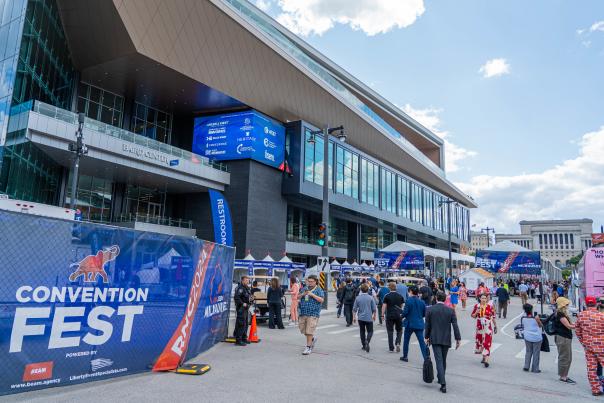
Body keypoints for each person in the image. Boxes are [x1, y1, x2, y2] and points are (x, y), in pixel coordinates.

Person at [425, 291, 461, 394]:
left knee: (439, 360)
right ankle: (441, 377)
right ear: (445, 299)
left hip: (435, 338)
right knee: (443, 360)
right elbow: (455, 325)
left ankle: (443, 383)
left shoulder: (430, 310)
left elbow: (427, 325)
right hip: (446, 338)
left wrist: (426, 337)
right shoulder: (450, 310)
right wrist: (458, 339)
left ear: (436, 298)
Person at [575, 295, 604, 396]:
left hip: (589, 347)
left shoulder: (581, 315)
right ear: (596, 304)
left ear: (586, 304)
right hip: (602, 346)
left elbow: (577, 331)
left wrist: (584, 342)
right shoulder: (602, 316)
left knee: (591, 368)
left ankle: (595, 390)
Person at [297, 275, 325, 355]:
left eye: (311, 281)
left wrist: (312, 295)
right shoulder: (304, 288)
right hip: (303, 312)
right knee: (304, 330)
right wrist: (303, 294)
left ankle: (308, 347)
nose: (310, 283)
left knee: (309, 330)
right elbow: (297, 296)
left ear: (316, 281)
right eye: (309, 281)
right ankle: (312, 339)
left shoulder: (319, 290)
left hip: (313, 313)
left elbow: (321, 300)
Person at [400, 286, 428, 362]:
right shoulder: (422, 302)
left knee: (406, 340)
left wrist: (401, 315)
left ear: (411, 292)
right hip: (419, 324)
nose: (408, 293)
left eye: (409, 291)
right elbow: (424, 314)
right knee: (421, 342)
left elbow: (405, 313)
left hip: (410, 324)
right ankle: (426, 358)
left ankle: (405, 356)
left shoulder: (408, 301)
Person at [471, 294, 497, 367]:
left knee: (487, 343)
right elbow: (473, 316)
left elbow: (493, 317)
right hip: (479, 328)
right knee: (481, 343)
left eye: (485, 298)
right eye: (482, 298)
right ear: (480, 298)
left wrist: (495, 326)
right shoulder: (477, 306)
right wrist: (476, 312)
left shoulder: (490, 307)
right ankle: (483, 357)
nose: (484, 299)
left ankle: (486, 360)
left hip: (488, 328)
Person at [554, 297, 575, 384]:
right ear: (562, 305)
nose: (567, 305)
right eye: (566, 304)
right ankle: (563, 377)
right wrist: (581, 324)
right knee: (565, 357)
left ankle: (564, 375)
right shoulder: (560, 315)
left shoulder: (562, 313)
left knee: (568, 357)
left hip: (565, 338)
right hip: (563, 338)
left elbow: (570, 324)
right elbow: (569, 326)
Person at [353, 283, 377, 352]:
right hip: (369, 318)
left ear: (361, 290)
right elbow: (374, 309)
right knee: (370, 331)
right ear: (367, 290)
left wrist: (354, 317)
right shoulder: (370, 297)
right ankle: (367, 341)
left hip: (360, 318)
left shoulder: (358, 298)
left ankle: (364, 345)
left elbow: (354, 309)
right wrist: (374, 316)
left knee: (362, 331)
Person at [382, 282, 404, 352]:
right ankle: (398, 342)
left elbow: (384, 306)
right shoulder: (400, 296)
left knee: (390, 331)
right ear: (395, 288)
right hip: (398, 315)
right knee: (399, 330)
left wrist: (382, 315)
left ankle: (391, 348)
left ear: (389, 288)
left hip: (390, 315)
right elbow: (401, 307)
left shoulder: (387, 296)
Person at [521, 303, 543, 373]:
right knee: (536, 352)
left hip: (527, 336)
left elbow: (523, 326)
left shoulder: (523, 318)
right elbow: (540, 325)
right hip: (536, 337)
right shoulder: (535, 318)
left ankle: (526, 366)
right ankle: (535, 368)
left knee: (528, 351)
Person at [233, 276, 253, 346]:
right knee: (241, 324)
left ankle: (244, 338)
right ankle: (238, 340)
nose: (248, 282)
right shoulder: (240, 288)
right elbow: (236, 297)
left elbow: (249, 296)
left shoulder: (246, 288)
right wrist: (242, 303)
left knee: (245, 324)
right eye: (246, 280)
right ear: (242, 281)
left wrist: (251, 298)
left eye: (248, 280)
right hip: (241, 308)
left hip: (246, 308)